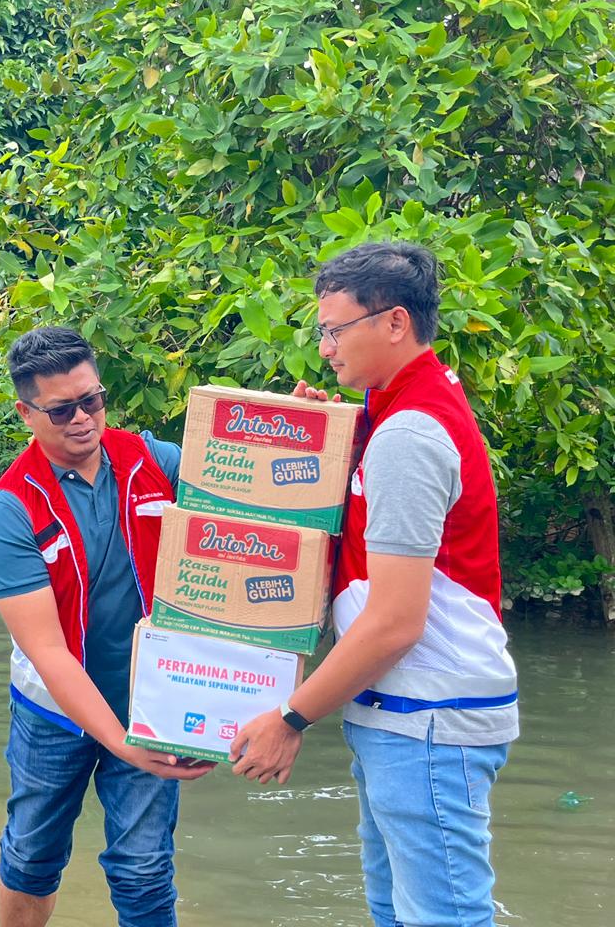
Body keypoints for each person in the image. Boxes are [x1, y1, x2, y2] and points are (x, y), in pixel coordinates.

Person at [230, 242, 518, 927]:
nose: (325, 347)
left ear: (393, 323)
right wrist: (317, 436)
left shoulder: (408, 433)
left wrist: (292, 717)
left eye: (334, 329)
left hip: (427, 722)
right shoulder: (398, 411)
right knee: (399, 913)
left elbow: (395, 622)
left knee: (441, 917)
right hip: (406, 720)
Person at [0, 327, 215, 927]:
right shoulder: (12, 507)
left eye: (92, 400)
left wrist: (305, 432)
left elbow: (246, 500)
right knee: (32, 856)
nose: (83, 419)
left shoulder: (152, 462)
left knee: (144, 869)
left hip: (150, 701)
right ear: (26, 412)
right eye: (61, 410)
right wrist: (121, 742)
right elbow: (50, 654)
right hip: (52, 712)